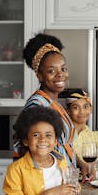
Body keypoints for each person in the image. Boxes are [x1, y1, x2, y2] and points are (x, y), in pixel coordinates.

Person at [3, 106, 80, 195]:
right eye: (36, 135)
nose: (43, 139)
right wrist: (49, 193)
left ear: (55, 141)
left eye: (48, 135)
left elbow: (63, 192)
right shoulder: (16, 170)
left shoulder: (61, 161)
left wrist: (73, 188)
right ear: (26, 140)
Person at [14, 33, 76, 167]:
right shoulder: (37, 105)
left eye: (63, 69)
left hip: (63, 177)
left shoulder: (53, 103)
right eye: (51, 71)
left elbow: (63, 146)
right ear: (39, 76)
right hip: (48, 181)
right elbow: (34, 150)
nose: (60, 74)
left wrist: (82, 164)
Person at [66, 90, 98, 178]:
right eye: (76, 107)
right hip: (70, 181)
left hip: (89, 180)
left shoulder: (95, 136)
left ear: (90, 109)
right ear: (68, 111)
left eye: (85, 107)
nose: (82, 112)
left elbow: (97, 165)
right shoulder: (64, 134)